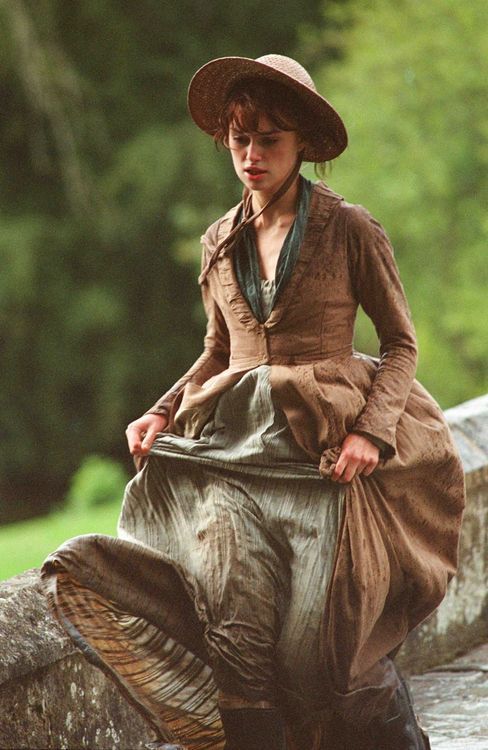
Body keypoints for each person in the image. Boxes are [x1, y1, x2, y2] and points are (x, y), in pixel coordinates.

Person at [42, 55, 465, 750]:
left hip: (323, 456)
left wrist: (372, 433)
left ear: (302, 142)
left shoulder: (350, 228)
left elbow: (400, 345)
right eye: (239, 140)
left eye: (268, 139)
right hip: (230, 457)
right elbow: (219, 352)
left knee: (325, 649)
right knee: (236, 636)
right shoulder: (219, 241)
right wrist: (161, 411)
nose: (251, 155)